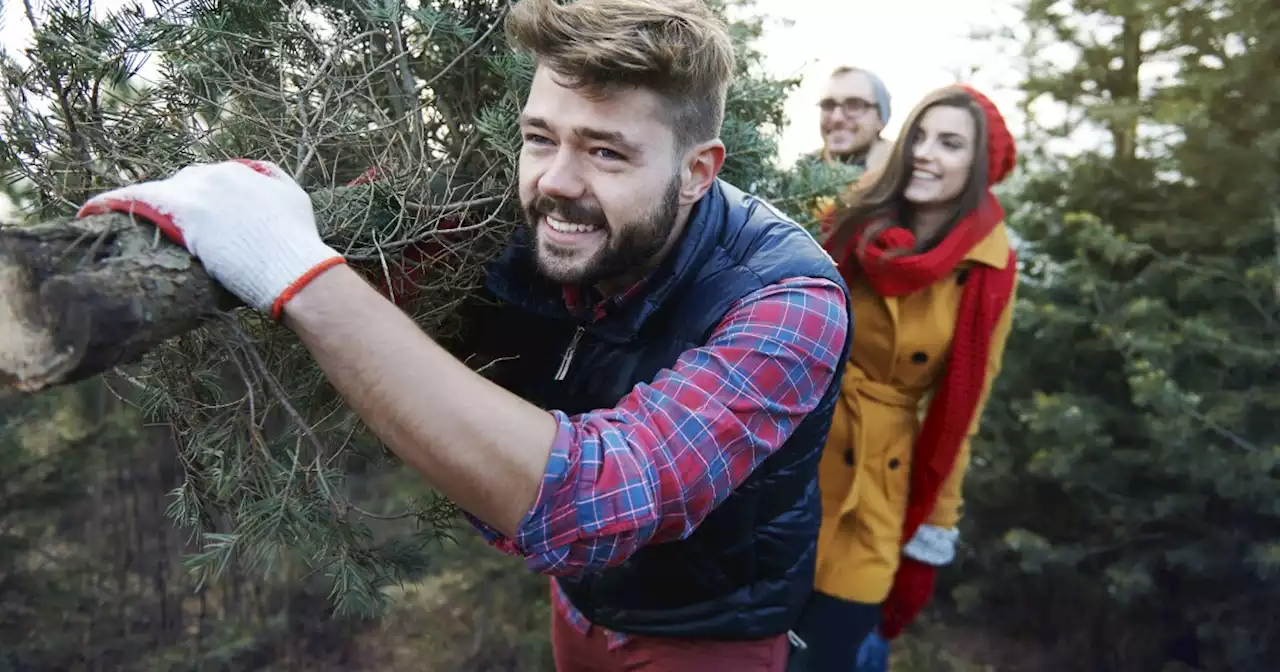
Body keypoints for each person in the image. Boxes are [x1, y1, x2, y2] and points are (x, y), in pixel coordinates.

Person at [73, 0, 854, 670]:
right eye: (540, 137)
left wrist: (295, 271)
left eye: (607, 152)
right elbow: (395, 241)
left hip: (707, 639)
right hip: (577, 609)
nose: (555, 182)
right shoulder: (536, 220)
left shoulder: (788, 300)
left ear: (697, 170)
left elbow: (600, 499)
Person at [785, 84, 1020, 672]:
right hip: (791, 467)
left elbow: (963, 413)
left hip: (876, 496)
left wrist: (929, 544)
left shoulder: (989, 272)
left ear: (977, 165)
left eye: (949, 143)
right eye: (918, 135)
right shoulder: (845, 217)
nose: (924, 153)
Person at [804, 66, 893, 172]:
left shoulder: (905, 174)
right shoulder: (802, 175)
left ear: (880, 119)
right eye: (828, 105)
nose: (837, 118)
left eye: (854, 105)